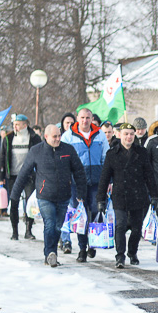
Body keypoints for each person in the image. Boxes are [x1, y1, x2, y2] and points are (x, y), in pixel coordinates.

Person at [10, 124, 88, 267]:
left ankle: (51, 254)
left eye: (59, 136)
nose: (58, 139)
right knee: (50, 224)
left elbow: (79, 171)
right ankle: (50, 253)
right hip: (44, 195)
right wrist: (15, 194)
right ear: (46, 137)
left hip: (64, 196)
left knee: (58, 226)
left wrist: (82, 192)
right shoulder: (36, 151)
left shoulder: (68, 150)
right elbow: (24, 173)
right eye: (55, 137)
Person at [97, 122, 157, 269]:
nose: (129, 137)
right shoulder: (112, 154)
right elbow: (104, 178)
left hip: (138, 196)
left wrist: (154, 195)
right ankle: (120, 256)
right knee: (120, 225)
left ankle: (132, 252)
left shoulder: (141, 152)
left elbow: (149, 175)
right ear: (120, 135)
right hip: (120, 196)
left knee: (137, 228)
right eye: (126, 134)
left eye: (131, 134)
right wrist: (100, 200)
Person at [63, 108, 109, 262]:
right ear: (77, 118)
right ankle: (82, 248)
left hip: (97, 180)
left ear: (92, 118)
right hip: (77, 182)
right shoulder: (68, 136)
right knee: (81, 216)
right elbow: (64, 159)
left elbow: (105, 157)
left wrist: (108, 180)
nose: (85, 121)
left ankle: (93, 244)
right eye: (82, 118)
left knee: (96, 212)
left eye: (88, 118)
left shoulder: (100, 134)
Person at [0, 114, 41, 239]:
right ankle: (14, 231)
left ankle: (28, 229)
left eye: (17, 124)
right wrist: (1, 177)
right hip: (13, 176)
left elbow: (40, 156)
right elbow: (2, 158)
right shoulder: (8, 138)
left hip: (29, 175)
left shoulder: (34, 138)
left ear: (25, 125)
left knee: (29, 202)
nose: (15, 127)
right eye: (14, 124)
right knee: (14, 202)